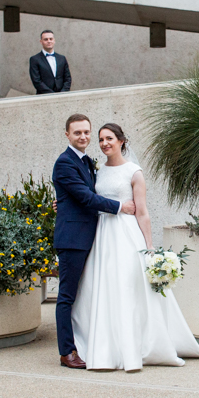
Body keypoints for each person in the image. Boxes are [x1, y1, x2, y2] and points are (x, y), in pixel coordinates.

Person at [72, 123, 199, 371]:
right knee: (105, 288)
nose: (104, 143)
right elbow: (87, 198)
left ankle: (137, 346)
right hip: (103, 234)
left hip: (126, 235)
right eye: (101, 139)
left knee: (129, 288)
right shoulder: (98, 171)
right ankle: (107, 347)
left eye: (109, 138)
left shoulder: (134, 172)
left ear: (121, 141)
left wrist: (149, 245)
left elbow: (142, 212)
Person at [53, 114, 136, 369]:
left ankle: (87, 343)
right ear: (67, 135)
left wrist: (62, 202)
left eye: (86, 132)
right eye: (77, 132)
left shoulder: (87, 161)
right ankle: (67, 352)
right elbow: (86, 197)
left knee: (86, 295)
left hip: (92, 236)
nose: (83, 137)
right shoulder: (65, 162)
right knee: (67, 296)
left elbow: (82, 194)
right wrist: (120, 206)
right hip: (73, 239)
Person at [29, 30, 72, 94]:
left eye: (51, 39)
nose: (49, 41)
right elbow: (36, 81)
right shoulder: (34, 59)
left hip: (62, 95)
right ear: (41, 42)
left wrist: (63, 93)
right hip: (44, 96)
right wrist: (52, 94)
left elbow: (68, 78)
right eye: (46, 39)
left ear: (54, 41)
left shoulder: (62, 58)